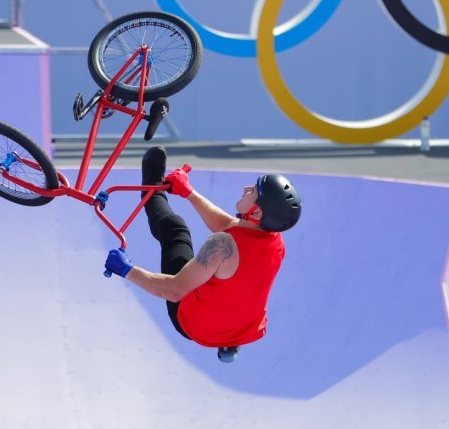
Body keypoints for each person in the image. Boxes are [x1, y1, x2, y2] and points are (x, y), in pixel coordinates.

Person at [104, 146, 302, 362]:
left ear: (256, 212)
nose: (246, 188)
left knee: (175, 230)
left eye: (252, 191)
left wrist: (126, 269)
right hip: (244, 328)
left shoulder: (221, 246)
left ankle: (153, 195)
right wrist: (189, 192)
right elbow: (229, 224)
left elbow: (173, 291)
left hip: (195, 326)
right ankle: (229, 341)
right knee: (229, 282)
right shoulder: (274, 239)